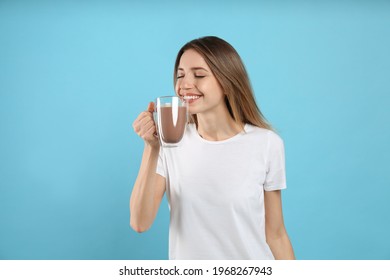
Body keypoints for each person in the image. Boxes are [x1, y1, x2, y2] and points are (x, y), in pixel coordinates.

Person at [130, 36, 295, 260]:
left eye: (199, 75)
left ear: (227, 82)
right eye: (180, 75)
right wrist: (152, 147)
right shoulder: (169, 143)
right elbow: (140, 222)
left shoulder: (267, 143)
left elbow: (276, 234)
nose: (184, 85)